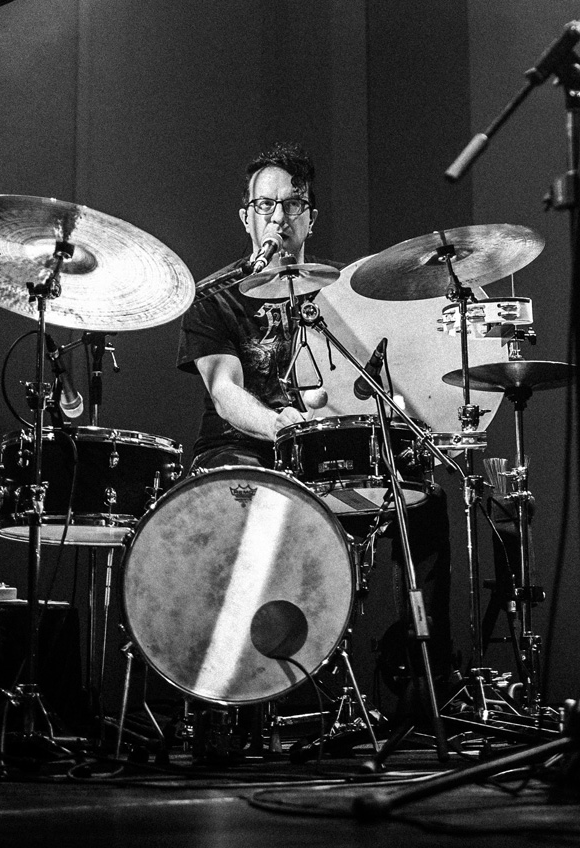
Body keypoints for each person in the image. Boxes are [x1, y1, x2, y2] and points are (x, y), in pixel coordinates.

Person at [175, 142, 454, 707]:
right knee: (248, 491)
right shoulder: (214, 298)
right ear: (246, 217)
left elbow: (368, 386)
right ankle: (244, 686)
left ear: (311, 217)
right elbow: (225, 392)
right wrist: (278, 424)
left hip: (321, 452)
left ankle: (424, 682)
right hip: (242, 448)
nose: (278, 217)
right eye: (265, 205)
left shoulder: (343, 295)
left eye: (292, 204)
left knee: (424, 504)